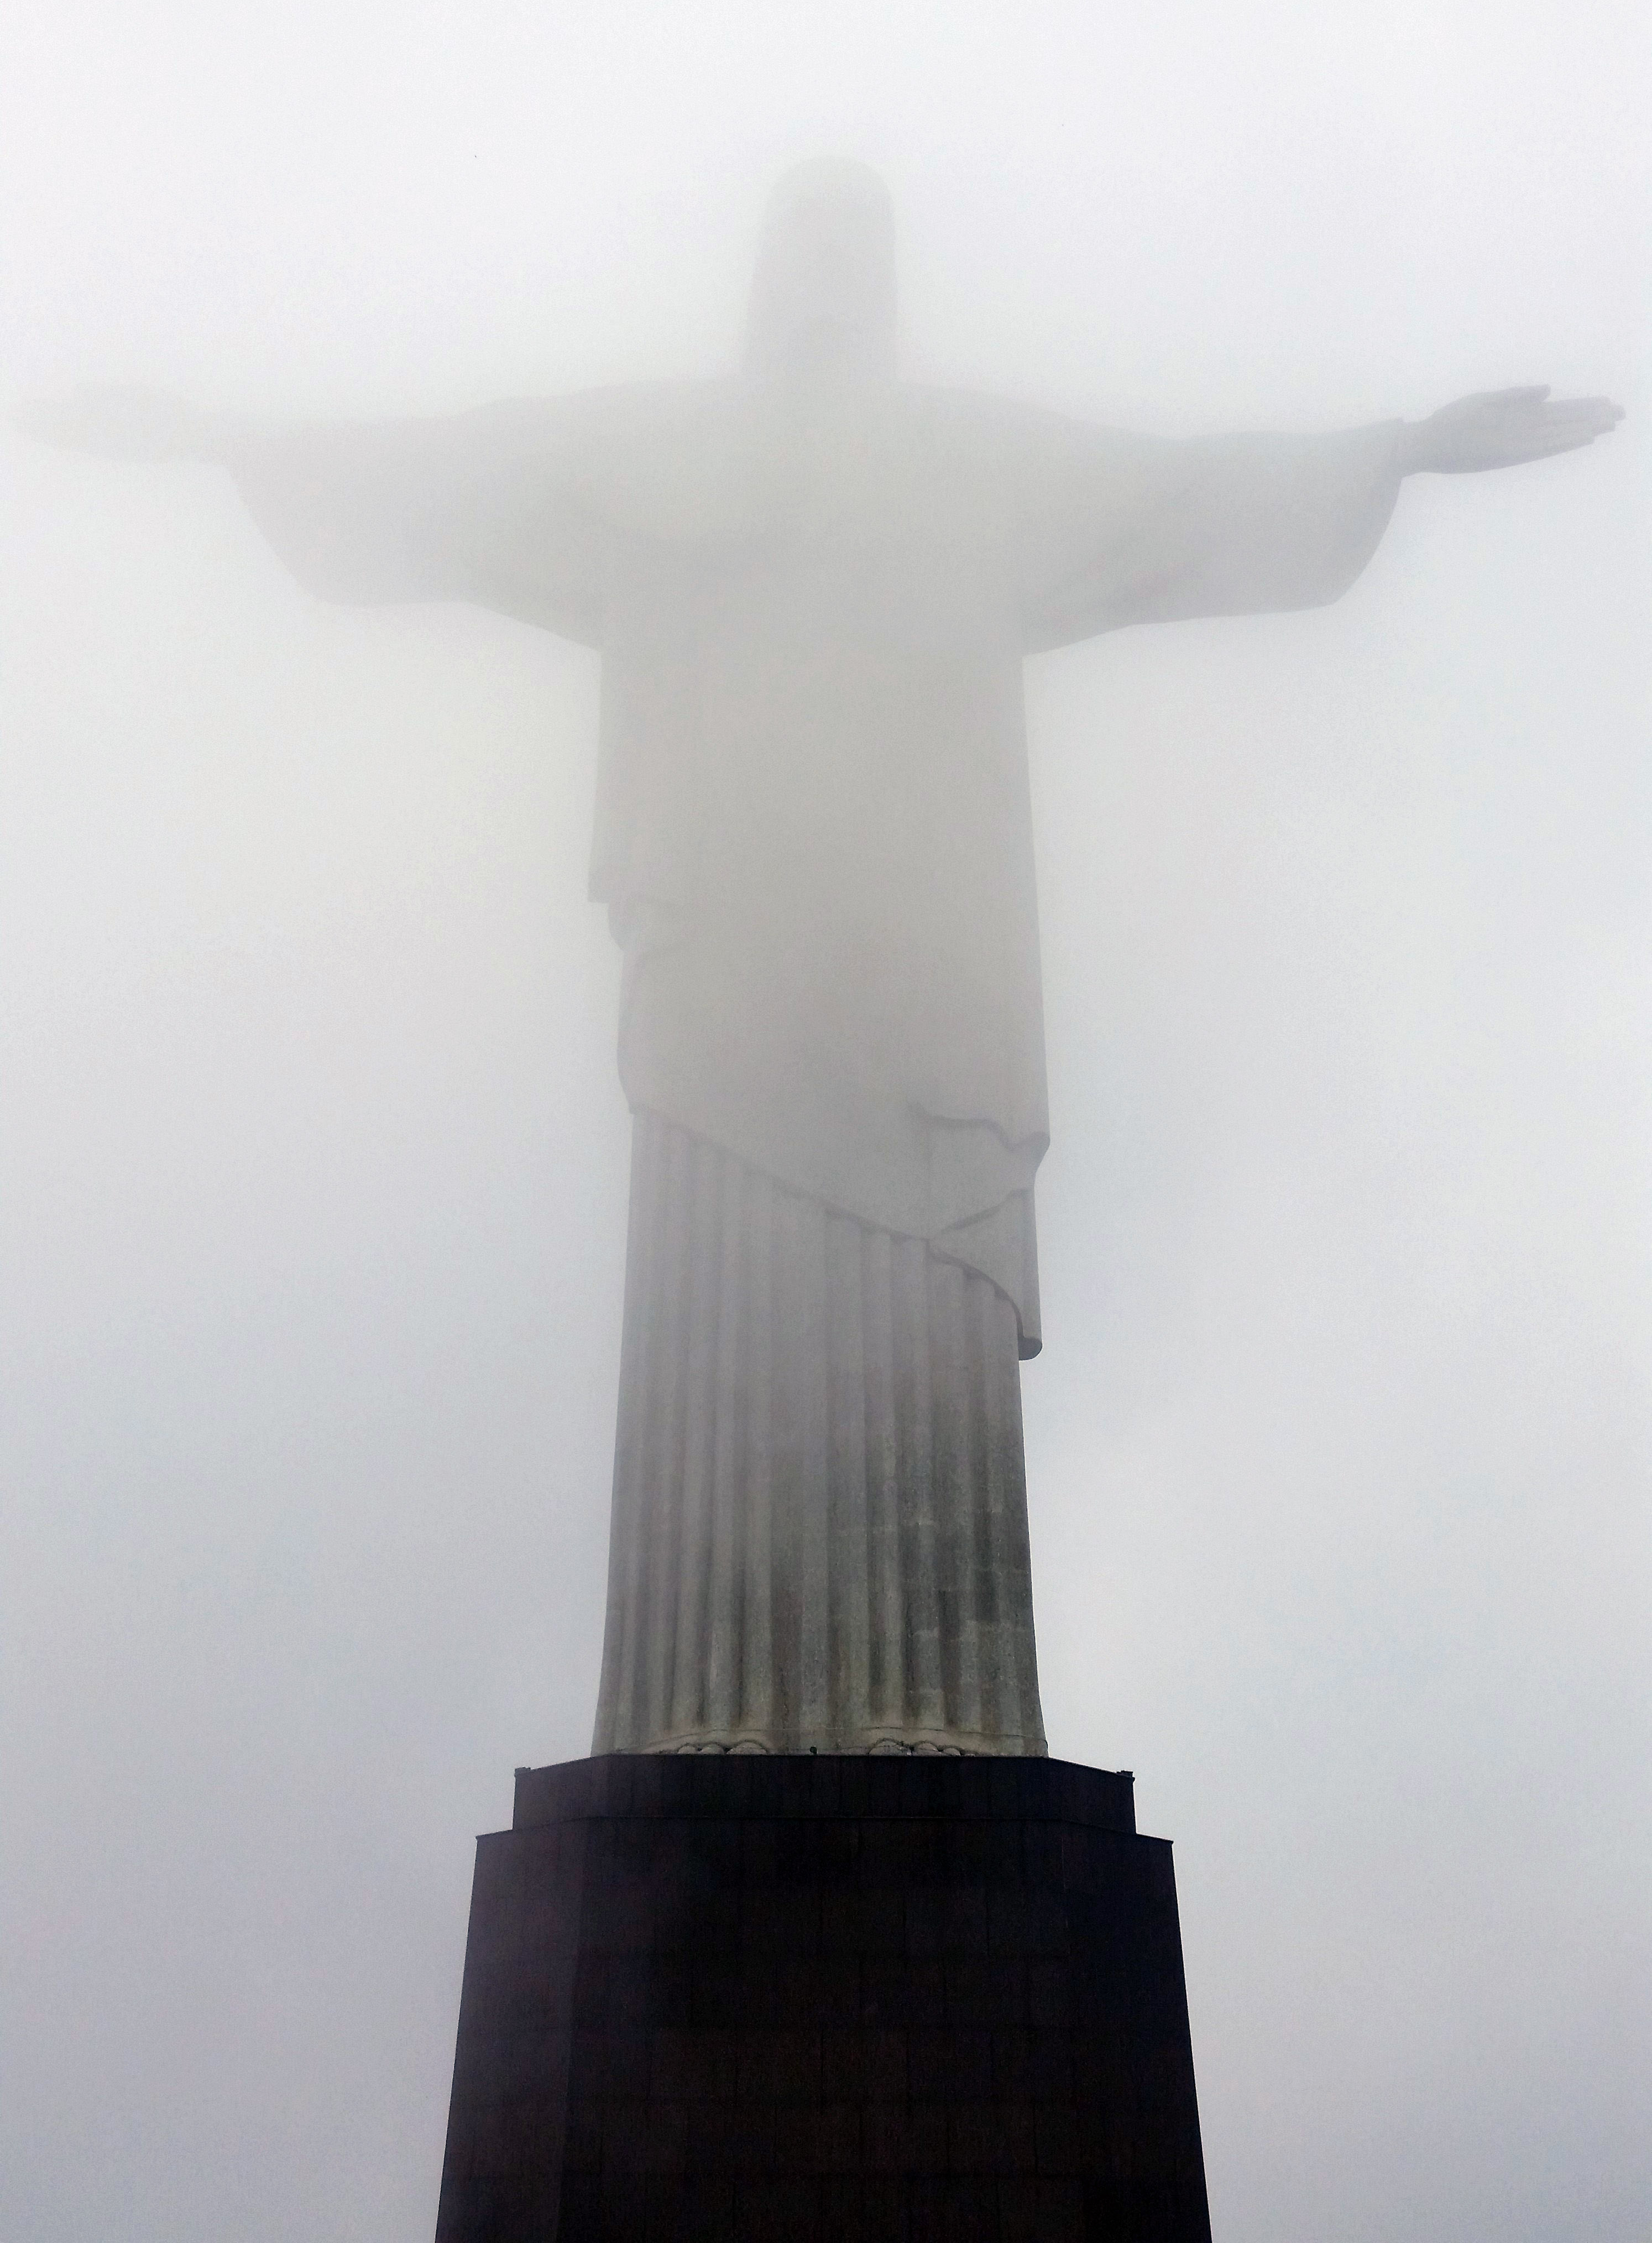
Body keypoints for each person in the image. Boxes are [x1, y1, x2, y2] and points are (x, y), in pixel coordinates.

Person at [21, 157, 1621, 1756]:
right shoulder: (657, 455)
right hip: (728, 978)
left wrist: (1399, 452)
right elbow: (456, 476)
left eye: (854, 254)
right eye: (806, 251)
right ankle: (693, 1709)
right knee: (720, 1315)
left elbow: (1183, 499)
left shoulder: (977, 469)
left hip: (926, 977)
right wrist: (225, 440)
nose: (826, 290)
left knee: (920, 1318)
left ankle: (949, 1713)